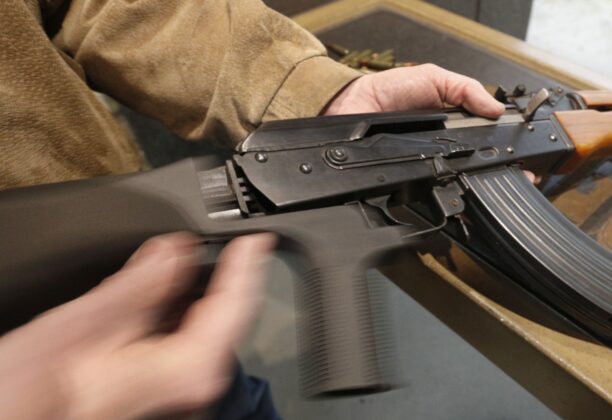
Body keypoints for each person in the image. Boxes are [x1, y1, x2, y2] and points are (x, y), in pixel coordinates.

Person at [0, 1, 505, 418]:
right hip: (65, 365)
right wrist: (63, 397)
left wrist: (319, 93)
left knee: (226, 394)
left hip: (126, 271)